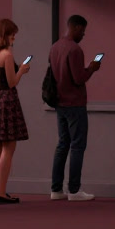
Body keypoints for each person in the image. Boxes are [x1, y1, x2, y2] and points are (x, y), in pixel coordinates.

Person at [48, 14, 101, 201]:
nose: (83, 35)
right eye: (83, 31)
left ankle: (56, 190)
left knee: (62, 144)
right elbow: (79, 79)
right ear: (77, 27)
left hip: (59, 102)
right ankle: (74, 190)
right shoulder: (75, 50)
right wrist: (92, 68)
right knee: (77, 146)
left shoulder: (55, 47)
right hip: (75, 103)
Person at [0, 19, 32, 204]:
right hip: (7, 101)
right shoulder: (7, 55)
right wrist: (22, 71)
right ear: (5, 34)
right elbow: (11, 82)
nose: (14, 38)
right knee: (9, 147)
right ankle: (1, 192)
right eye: (12, 34)